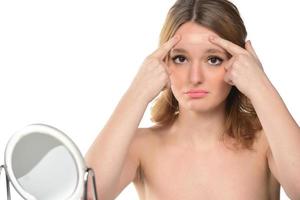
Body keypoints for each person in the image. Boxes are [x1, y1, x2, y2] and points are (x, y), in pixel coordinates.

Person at [85, 0, 300, 199]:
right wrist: (137, 93)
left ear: (238, 63)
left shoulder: (267, 143)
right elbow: (83, 194)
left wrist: (259, 86)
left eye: (213, 59)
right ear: (164, 62)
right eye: (181, 58)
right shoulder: (141, 147)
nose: (194, 78)